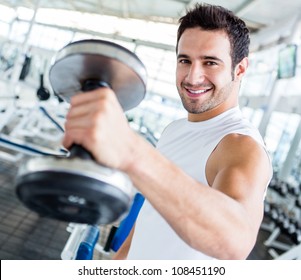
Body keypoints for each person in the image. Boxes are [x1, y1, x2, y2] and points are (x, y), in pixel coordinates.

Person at [62, 3, 272, 260]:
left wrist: (131, 150)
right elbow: (150, 217)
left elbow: (235, 241)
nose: (193, 77)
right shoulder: (175, 130)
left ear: (239, 69)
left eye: (210, 62)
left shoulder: (240, 145)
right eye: (185, 60)